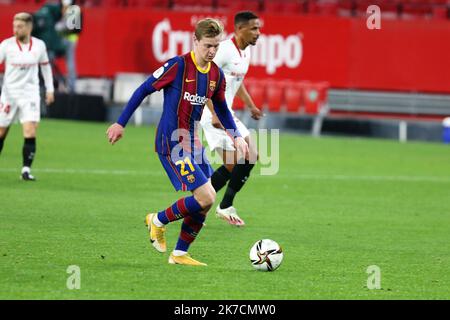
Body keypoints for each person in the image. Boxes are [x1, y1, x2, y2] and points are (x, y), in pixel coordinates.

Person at [106, 18, 248, 266]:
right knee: (206, 197)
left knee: (206, 199)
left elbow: (223, 109)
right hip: (171, 142)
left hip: (193, 142)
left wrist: (235, 136)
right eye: (207, 45)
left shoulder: (216, 74)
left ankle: (179, 254)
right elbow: (143, 89)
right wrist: (120, 122)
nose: (212, 51)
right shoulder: (178, 66)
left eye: (216, 46)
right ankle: (157, 220)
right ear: (195, 41)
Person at [200, 11, 262, 227]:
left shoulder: (245, 53)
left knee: (237, 161)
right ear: (239, 29)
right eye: (254, 28)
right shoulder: (224, 50)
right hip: (213, 114)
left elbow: (238, 82)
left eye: (259, 28)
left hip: (227, 114)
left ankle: (200, 206)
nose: (258, 33)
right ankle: (222, 206)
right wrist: (214, 111)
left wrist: (250, 104)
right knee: (244, 157)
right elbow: (204, 77)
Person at [0, 12, 55, 181]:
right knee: (1, 132)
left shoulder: (39, 45)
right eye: (14, 26)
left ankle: (25, 170)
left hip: (30, 94)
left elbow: (45, 68)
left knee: (30, 130)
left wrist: (50, 89)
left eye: (20, 26)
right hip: (9, 94)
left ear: (29, 27)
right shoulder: (6, 45)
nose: (16, 29)